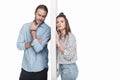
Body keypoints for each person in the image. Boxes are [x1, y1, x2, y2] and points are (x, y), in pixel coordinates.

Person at [16, 4, 51, 80]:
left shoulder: (47, 30)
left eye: (43, 16)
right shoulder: (25, 26)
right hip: (26, 67)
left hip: (41, 68)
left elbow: (38, 49)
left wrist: (33, 32)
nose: (41, 18)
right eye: (39, 15)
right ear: (35, 13)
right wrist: (33, 42)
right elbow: (19, 45)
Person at [56, 12, 78, 80]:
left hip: (69, 69)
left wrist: (58, 43)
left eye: (62, 21)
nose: (59, 24)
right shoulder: (59, 37)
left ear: (66, 23)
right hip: (62, 68)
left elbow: (68, 56)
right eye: (57, 22)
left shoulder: (70, 37)